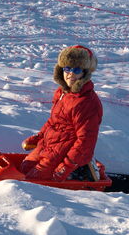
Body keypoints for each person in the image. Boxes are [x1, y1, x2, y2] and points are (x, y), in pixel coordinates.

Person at [19, 45, 103, 181]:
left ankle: (81, 169)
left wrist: (67, 166)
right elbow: (54, 121)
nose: (70, 73)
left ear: (85, 73)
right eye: (67, 69)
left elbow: (86, 140)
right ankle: (80, 167)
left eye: (76, 69)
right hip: (49, 144)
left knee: (34, 179)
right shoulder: (62, 93)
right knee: (24, 168)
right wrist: (38, 137)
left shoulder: (86, 102)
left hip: (64, 151)